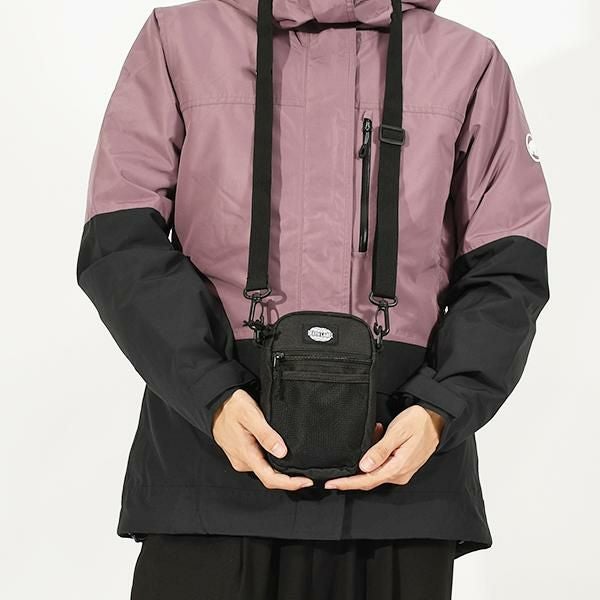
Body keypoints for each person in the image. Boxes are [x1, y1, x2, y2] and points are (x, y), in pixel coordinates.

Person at [76, 0, 551, 598]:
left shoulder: (468, 61)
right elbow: (120, 244)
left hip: (400, 476)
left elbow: (509, 267)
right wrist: (210, 391)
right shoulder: (177, 40)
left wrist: (442, 407)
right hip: (210, 466)